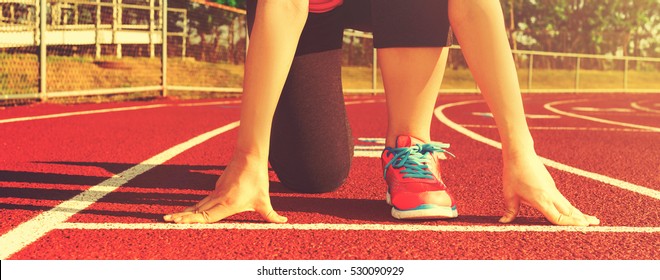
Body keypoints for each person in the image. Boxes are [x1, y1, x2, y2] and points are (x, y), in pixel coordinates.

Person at [164, 0, 599, 226]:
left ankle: (408, 148)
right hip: (313, 7)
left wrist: (521, 153)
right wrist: (248, 158)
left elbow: (470, 4)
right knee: (316, 172)